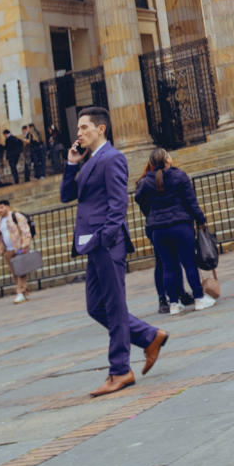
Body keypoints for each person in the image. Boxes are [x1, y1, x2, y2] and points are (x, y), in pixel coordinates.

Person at [61, 106, 167, 397]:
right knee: (96, 307)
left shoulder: (112, 158)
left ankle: (120, 370)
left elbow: (118, 203)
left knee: (115, 307)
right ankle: (149, 336)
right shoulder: (88, 160)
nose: (79, 133)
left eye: (84, 127)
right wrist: (71, 164)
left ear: (101, 129)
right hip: (93, 243)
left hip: (106, 242)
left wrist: (105, 237)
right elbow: (66, 195)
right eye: (78, 128)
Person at [134, 148, 213, 312]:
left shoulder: (147, 180)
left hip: (158, 229)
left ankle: (174, 304)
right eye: (168, 155)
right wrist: (200, 220)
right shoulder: (179, 175)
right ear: (167, 160)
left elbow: (138, 198)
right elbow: (191, 201)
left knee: (168, 266)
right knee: (189, 263)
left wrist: (153, 209)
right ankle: (199, 298)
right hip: (181, 225)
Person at [0, 198, 35, 302]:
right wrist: (2, 250)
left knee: (21, 271)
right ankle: (25, 293)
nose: (0, 210)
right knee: (14, 272)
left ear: (7, 207)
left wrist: (24, 245)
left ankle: (20, 292)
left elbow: (25, 230)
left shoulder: (16, 216)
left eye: (1, 207)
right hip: (7, 250)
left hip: (18, 248)